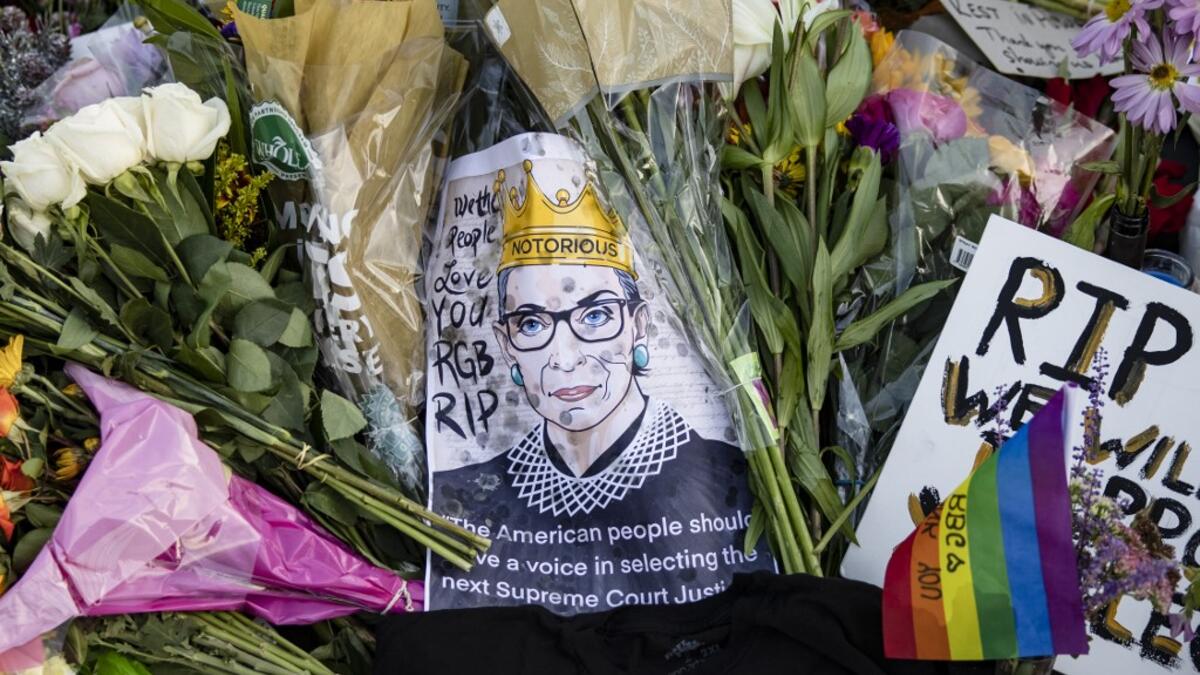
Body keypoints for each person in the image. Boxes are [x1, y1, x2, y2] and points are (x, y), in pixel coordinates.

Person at [430, 159, 773, 613]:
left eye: (595, 316)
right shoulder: (463, 496)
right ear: (505, 343)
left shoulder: (736, 480)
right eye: (531, 323)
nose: (565, 357)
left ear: (639, 325)